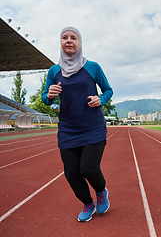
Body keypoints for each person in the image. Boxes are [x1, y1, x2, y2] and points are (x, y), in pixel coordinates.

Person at [42, 27, 113, 222]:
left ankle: (100, 192)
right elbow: (45, 98)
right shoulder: (54, 71)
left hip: (93, 127)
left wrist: (101, 100)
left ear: (79, 42)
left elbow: (108, 90)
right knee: (72, 174)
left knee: (88, 169)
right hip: (68, 129)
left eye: (73, 37)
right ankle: (88, 203)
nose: (69, 40)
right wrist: (49, 95)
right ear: (61, 43)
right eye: (64, 37)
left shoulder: (93, 67)